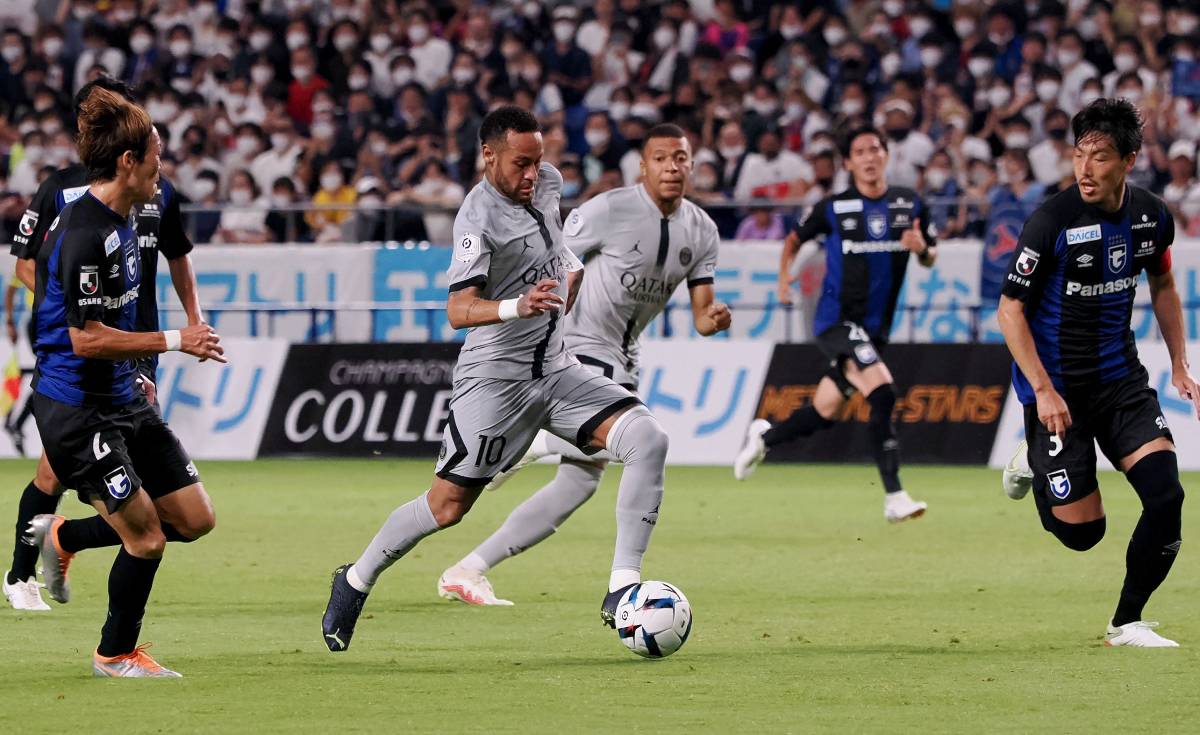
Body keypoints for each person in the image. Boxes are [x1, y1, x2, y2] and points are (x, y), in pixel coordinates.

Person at [321, 106, 671, 650]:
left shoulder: (547, 184)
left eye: (538, 161)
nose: (532, 174)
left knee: (648, 438)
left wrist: (569, 272)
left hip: (556, 369)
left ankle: (622, 589)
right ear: (489, 156)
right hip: (495, 381)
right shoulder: (476, 217)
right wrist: (519, 306)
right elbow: (458, 311)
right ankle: (357, 578)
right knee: (446, 508)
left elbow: (555, 243)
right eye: (520, 164)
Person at [436, 123, 731, 606]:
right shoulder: (610, 208)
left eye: (681, 158)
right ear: (643, 165)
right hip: (579, 345)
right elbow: (553, 249)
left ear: (692, 164)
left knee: (578, 484)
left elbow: (702, 315)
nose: (672, 167)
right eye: (661, 158)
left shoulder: (702, 230)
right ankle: (528, 442)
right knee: (630, 446)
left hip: (625, 353)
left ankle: (469, 568)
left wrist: (713, 319)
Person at [26, 87, 223, 676]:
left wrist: (143, 369)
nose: (163, 167)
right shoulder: (85, 231)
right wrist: (173, 340)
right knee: (146, 540)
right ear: (128, 163)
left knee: (194, 520)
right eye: (157, 155)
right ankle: (115, 654)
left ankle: (63, 537)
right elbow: (85, 338)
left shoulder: (129, 216)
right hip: (77, 412)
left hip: (123, 396)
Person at [998, 99, 1196, 647]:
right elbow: (1009, 309)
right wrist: (1041, 390)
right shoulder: (1051, 221)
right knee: (1084, 534)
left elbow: (1162, 285)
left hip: (1122, 382)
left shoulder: (1152, 216)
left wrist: (1180, 364)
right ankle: (1034, 460)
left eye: (1100, 157)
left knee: (1166, 498)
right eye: (1079, 155)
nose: (1085, 170)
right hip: (1058, 390)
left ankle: (1125, 622)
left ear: (1129, 160)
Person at [733, 125, 936, 524]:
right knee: (881, 394)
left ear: (886, 155)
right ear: (848, 162)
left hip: (875, 330)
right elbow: (793, 240)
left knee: (825, 411)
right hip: (835, 322)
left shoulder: (909, 204)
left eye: (875, 148)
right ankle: (894, 496)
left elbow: (929, 254)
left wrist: (923, 250)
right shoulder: (833, 206)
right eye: (860, 151)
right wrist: (783, 277)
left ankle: (764, 438)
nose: (869, 156)